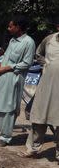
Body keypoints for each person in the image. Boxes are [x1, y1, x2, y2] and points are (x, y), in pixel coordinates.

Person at [0, 16, 36, 146]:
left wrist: (7, 68)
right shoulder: (12, 40)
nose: (9, 28)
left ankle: (5, 138)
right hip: (2, 77)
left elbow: (26, 63)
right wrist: (0, 64)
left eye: (11, 26)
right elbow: (7, 57)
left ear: (18, 27)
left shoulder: (29, 42)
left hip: (13, 79)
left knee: (8, 108)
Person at [21, 22, 59, 159]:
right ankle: (32, 149)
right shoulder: (49, 40)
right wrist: (46, 64)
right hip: (46, 85)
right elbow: (38, 54)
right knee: (38, 118)